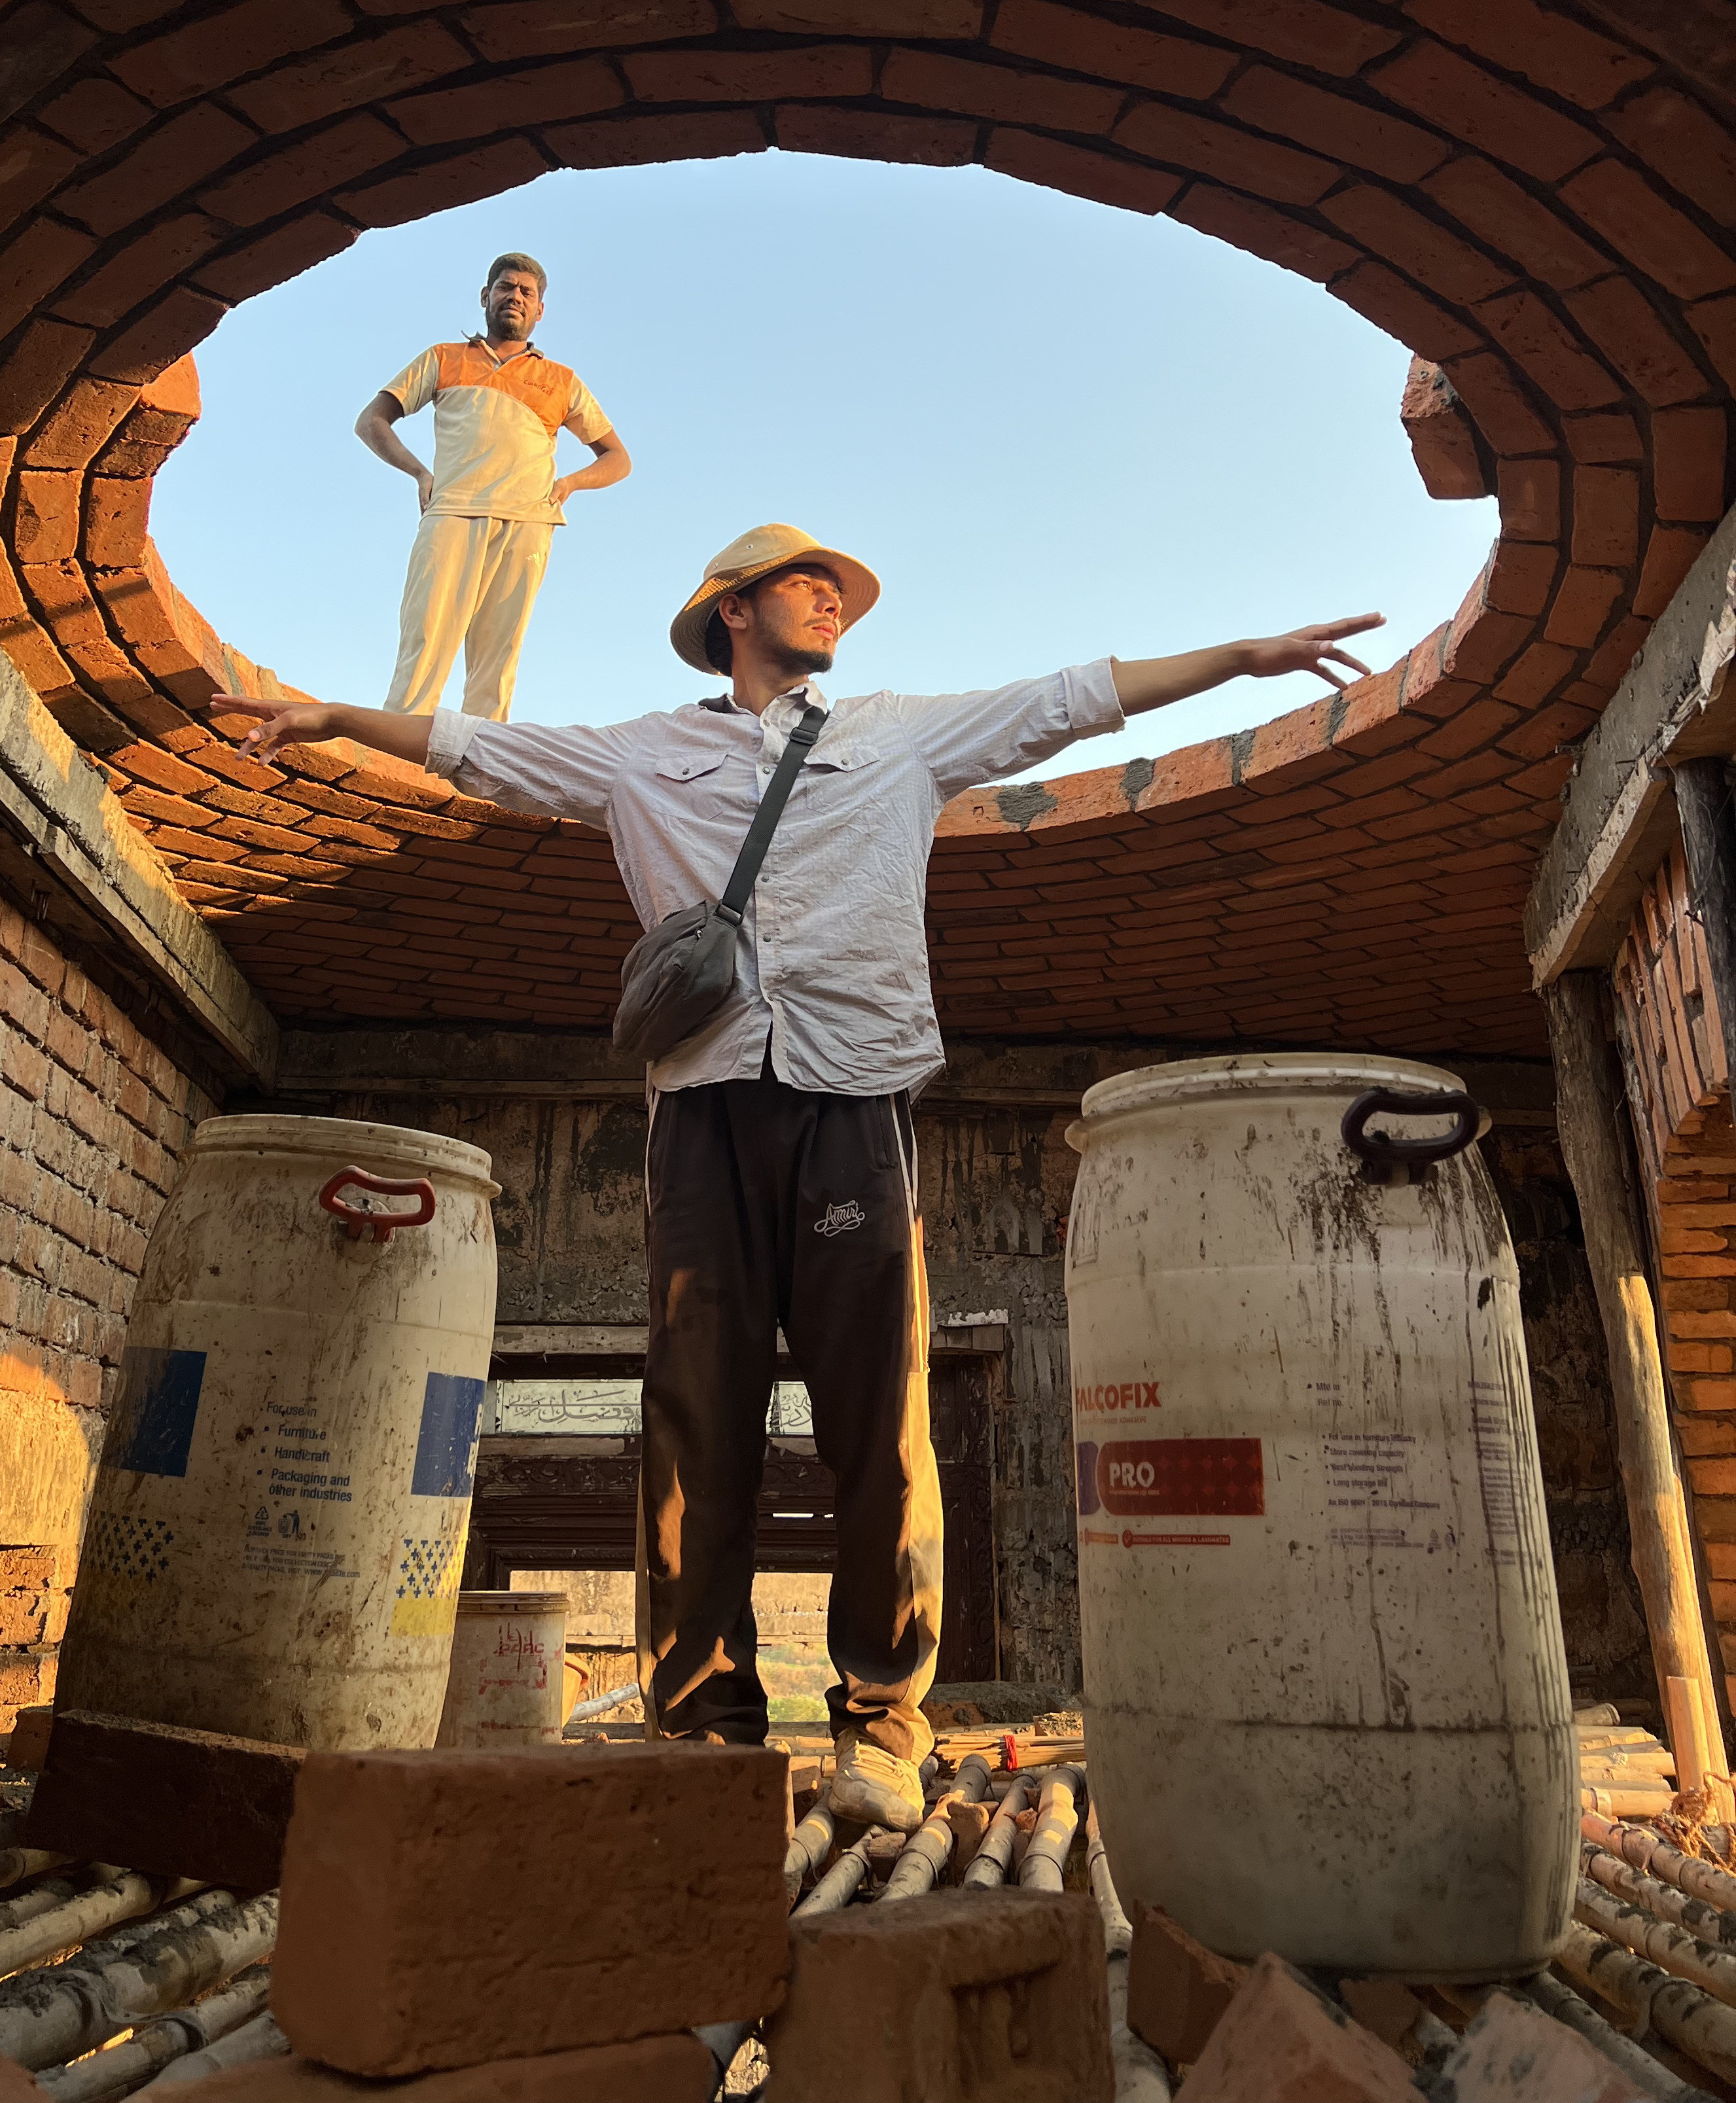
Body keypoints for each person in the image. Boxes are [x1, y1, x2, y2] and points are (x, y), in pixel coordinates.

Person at [217, 524, 1380, 1828]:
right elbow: (481, 750)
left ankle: (881, 1724)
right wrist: (327, 717)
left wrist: (1242, 656)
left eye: (839, 587)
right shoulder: (644, 755)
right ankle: (704, 1727)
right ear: (732, 612)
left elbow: (1072, 698)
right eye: (801, 580)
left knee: (879, 1422)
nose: (834, 596)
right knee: (696, 1420)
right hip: (702, 1111)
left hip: (852, 1100)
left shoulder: (899, 737)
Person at [355, 252, 630, 722]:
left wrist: (571, 483)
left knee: (497, 659)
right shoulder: (445, 358)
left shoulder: (560, 380)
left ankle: (478, 772)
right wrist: (420, 473)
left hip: (528, 522)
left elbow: (617, 458)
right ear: (486, 296)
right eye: (506, 287)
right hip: (452, 512)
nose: (515, 297)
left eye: (527, 292)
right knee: (425, 640)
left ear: (540, 310)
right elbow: (371, 421)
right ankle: (399, 761)